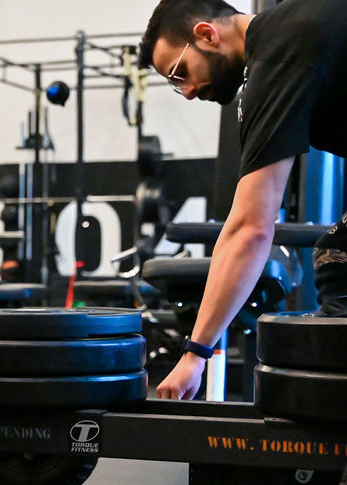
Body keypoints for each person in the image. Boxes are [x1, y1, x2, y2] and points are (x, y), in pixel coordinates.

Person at [138, 0, 347, 400]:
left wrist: (195, 354)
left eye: (180, 72)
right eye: (173, 82)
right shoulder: (288, 40)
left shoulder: (280, 53)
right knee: (338, 258)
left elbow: (250, 228)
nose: (186, 91)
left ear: (206, 35)